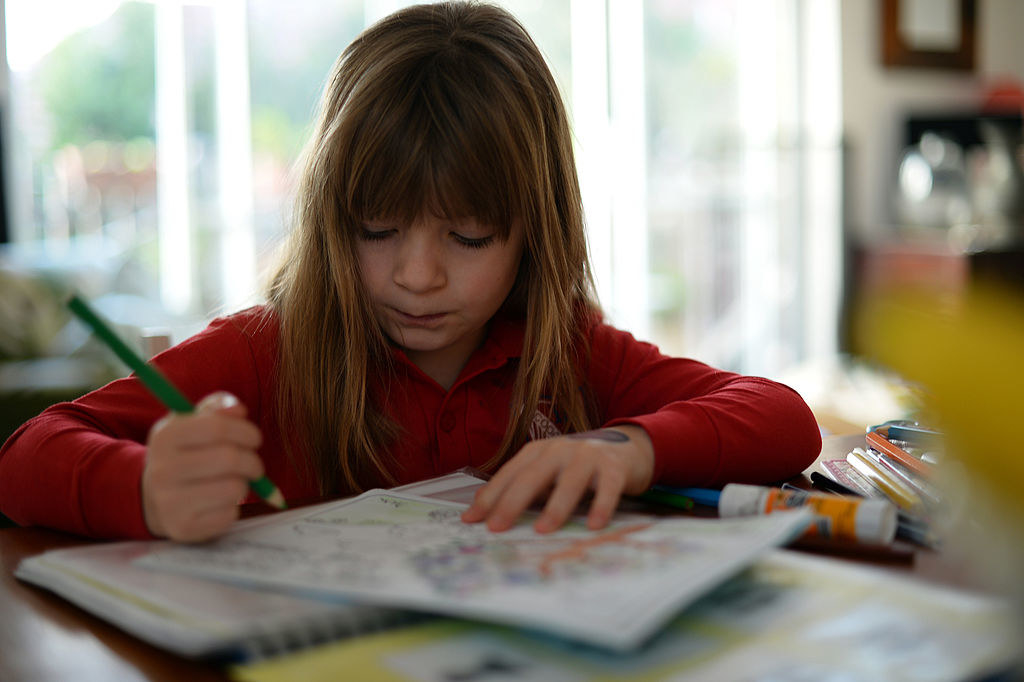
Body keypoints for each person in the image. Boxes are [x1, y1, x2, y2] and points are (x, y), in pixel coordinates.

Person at [0, 1, 820, 542]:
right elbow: (27, 455)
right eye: (377, 228)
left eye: (467, 238)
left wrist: (624, 449)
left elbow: (783, 416)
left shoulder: (561, 350)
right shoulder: (264, 351)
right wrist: (142, 488)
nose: (417, 276)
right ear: (329, 219)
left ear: (535, 235)